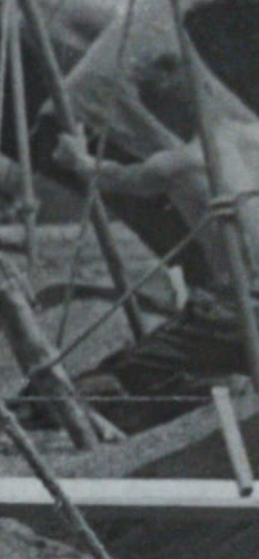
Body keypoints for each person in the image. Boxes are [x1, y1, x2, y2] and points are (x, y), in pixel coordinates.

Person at [52, 52, 259, 431]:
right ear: (211, 90)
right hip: (240, 308)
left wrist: (77, 157)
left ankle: (213, 389)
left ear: (160, 115)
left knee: (115, 377)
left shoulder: (178, 163)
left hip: (236, 312)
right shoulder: (254, 135)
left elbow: (112, 178)